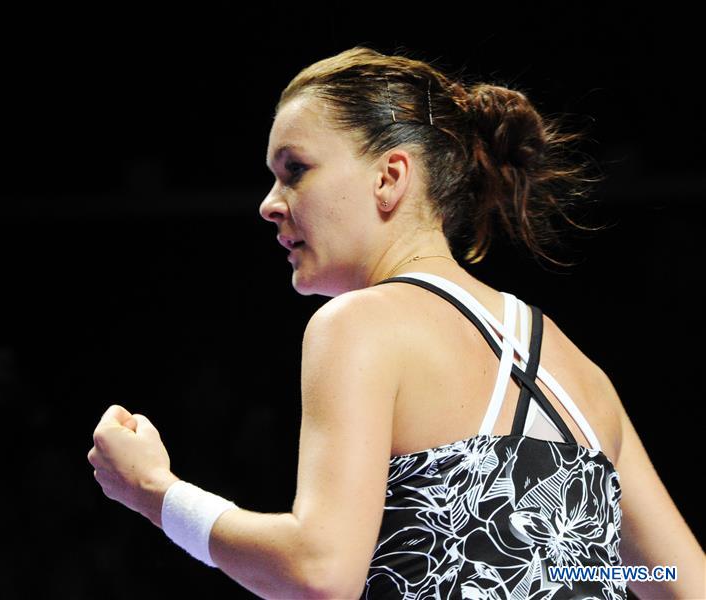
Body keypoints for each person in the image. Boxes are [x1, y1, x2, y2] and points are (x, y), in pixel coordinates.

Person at [87, 46, 705, 599]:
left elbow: (320, 572)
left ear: (390, 177)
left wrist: (156, 495)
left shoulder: (360, 325)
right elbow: (679, 581)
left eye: (294, 169)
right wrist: (565, 569)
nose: (270, 203)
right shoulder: (583, 373)